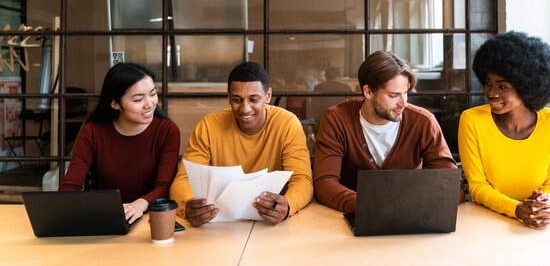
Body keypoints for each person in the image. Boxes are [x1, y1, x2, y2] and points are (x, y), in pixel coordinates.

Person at [313, 51, 463, 213]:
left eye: (406, 94)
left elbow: (452, 185)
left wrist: (411, 204)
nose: (403, 103)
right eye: (393, 95)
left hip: (410, 217)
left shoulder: (423, 121)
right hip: (352, 216)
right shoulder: (336, 119)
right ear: (368, 92)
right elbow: (324, 183)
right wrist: (368, 205)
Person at [170, 61, 313, 226]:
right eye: (237, 99)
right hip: (219, 223)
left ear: (268, 96)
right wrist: (188, 206)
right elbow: (183, 179)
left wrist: (288, 205)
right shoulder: (209, 125)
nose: (245, 109)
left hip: (270, 223)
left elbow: (302, 179)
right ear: (228, 97)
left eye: (254, 99)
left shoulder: (287, 123)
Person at [458, 31, 550, 228]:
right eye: (488, 83)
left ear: (527, 87)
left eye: (503, 87)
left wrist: (548, 204)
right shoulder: (472, 120)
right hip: (485, 219)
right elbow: (477, 187)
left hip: (535, 223)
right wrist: (517, 209)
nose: (491, 93)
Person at [60, 62, 181, 224]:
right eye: (138, 99)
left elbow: (165, 186)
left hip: (151, 217)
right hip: (105, 217)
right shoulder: (93, 131)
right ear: (115, 103)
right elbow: (70, 186)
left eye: (152, 94)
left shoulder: (167, 131)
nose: (150, 104)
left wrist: (139, 205)